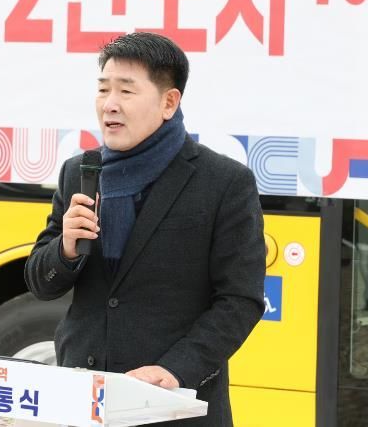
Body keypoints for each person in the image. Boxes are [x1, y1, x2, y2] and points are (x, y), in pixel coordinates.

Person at [24, 32, 266, 426]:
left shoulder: (223, 182)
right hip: (85, 399)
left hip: (172, 404)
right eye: (103, 89)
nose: (110, 104)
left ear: (169, 102)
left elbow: (240, 299)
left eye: (126, 90)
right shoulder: (80, 172)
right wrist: (65, 248)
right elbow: (41, 283)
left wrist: (176, 369)